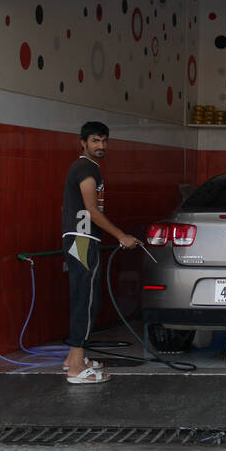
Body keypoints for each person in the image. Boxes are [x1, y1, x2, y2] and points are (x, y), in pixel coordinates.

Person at [61, 121, 138, 384]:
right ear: (82, 142)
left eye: (104, 140)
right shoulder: (86, 168)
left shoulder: (87, 167)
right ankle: (77, 369)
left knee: (84, 297)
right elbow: (92, 210)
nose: (101, 146)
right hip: (82, 240)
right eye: (95, 140)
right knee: (86, 299)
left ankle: (74, 358)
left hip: (81, 239)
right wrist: (121, 236)